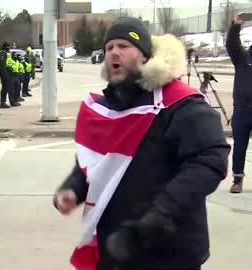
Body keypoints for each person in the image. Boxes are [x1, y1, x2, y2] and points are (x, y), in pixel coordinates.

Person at [53, 17, 230, 270]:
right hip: (115, 249)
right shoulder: (105, 109)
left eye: (124, 46)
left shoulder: (180, 104)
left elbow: (210, 160)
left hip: (171, 252)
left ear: (145, 55)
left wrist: (163, 212)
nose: (114, 52)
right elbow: (91, 163)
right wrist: (73, 189)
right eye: (109, 47)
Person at [225, 12, 252, 194]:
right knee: (240, 147)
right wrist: (235, 26)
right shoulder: (243, 58)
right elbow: (232, 45)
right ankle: (237, 180)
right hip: (242, 111)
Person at [0, 42, 19, 108]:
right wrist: (7, 69)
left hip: (9, 72)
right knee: (5, 87)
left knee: (9, 87)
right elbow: (2, 64)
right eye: (7, 46)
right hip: (5, 72)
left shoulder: (7, 53)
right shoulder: (2, 53)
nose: (9, 48)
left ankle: (11, 101)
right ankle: (3, 102)